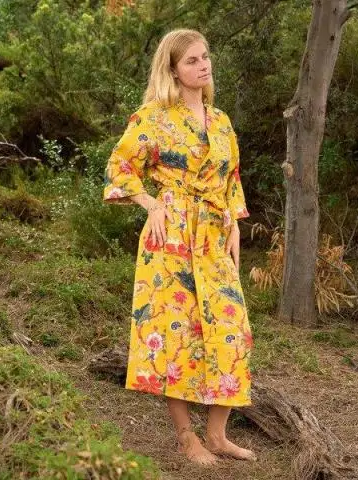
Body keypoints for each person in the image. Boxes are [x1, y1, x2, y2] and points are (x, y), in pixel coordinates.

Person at [102, 28, 256, 465]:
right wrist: (150, 203)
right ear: (172, 70)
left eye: (205, 57)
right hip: (170, 234)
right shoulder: (153, 117)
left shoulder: (220, 120)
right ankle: (187, 438)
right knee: (177, 334)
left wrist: (234, 222)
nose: (203, 65)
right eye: (191, 60)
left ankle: (218, 435)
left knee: (233, 331)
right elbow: (119, 166)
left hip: (213, 235)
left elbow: (231, 177)